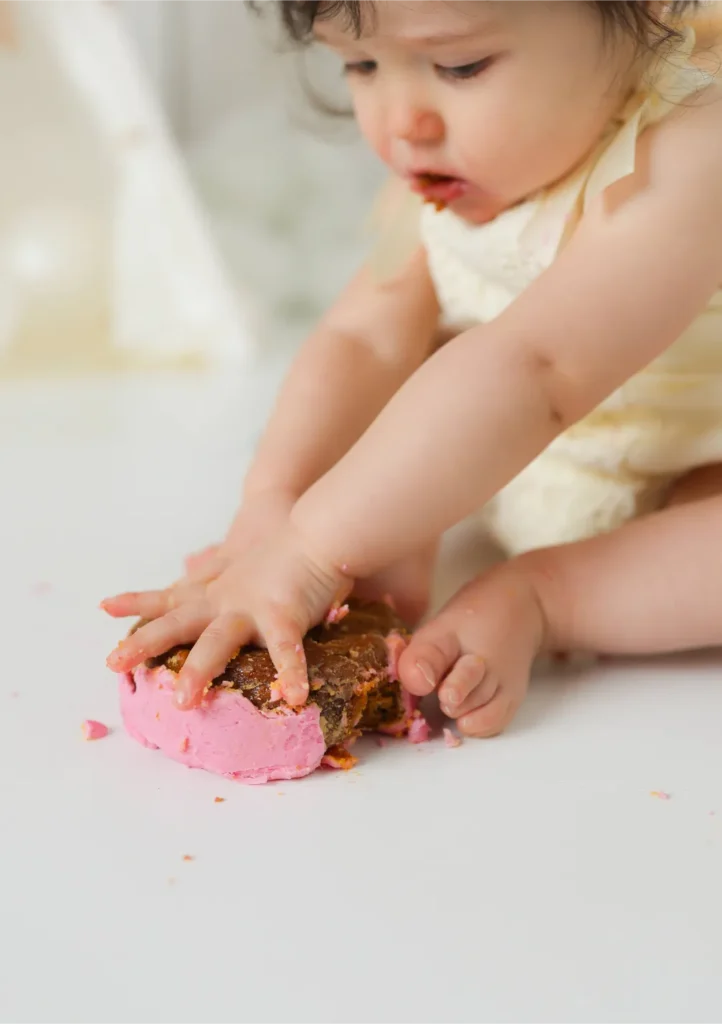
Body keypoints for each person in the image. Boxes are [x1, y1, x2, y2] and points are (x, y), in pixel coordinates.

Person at [103, 0, 722, 737]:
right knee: (421, 363)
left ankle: (551, 597)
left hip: (700, 454)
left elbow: (540, 366)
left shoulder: (691, 148)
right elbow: (366, 336)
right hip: (552, 444)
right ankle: (406, 534)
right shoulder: (453, 164)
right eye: (360, 64)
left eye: (460, 65)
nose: (402, 123)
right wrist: (276, 500)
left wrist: (312, 550)